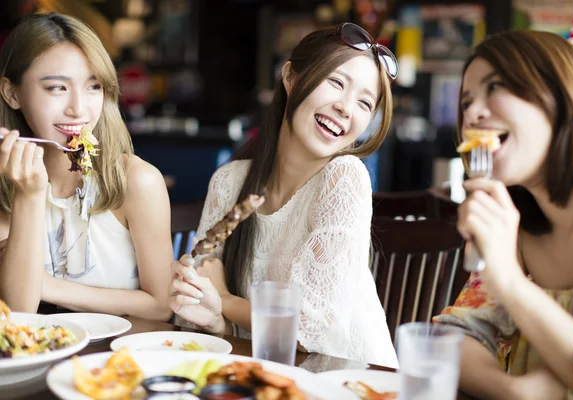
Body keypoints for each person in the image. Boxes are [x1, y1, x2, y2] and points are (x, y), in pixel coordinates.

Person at [168, 23, 399, 367]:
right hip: (261, 372)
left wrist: (225, 300)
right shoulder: (229, 182)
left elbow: (309, 331)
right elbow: (197, 308)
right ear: (291, 77)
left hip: (348, 382)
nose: (347, 108)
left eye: (365, 103)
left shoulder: (344, 178)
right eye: (336, 82)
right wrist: (213, 315)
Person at [433, 30, 573, 400]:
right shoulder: (516, 225)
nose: (473, 113)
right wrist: (515, 391)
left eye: (495, 87)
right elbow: (452, 336)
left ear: (563, 95)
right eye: (465, 102)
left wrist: (509, 280)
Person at [0, 13, 172, 320]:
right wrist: (29, 194)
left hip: (119, 360)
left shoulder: (136, 180)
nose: (79, 109)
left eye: (93, 86)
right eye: (57, 88)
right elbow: (19, 308)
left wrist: (49, 286)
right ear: (12, 93)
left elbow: (161, 305)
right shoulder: (8, 180)